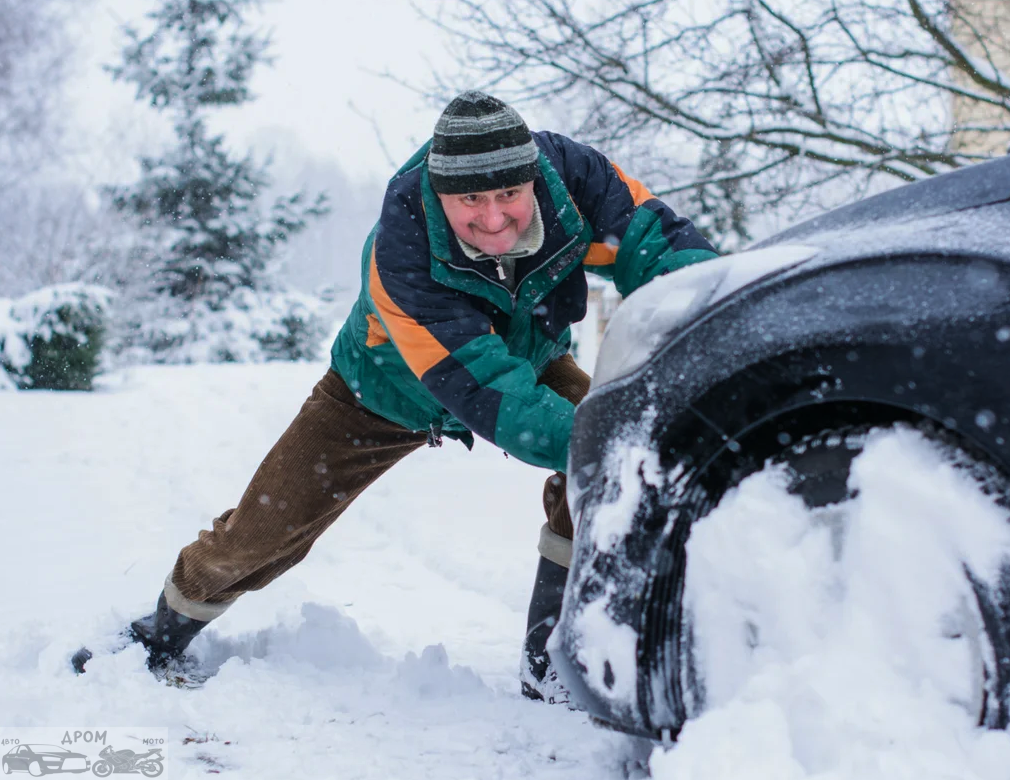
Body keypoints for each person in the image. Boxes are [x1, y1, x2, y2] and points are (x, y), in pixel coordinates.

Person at [79, 91, 718, 702]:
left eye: (508, 195)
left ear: (534, 178)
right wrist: (613, 442)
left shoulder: (577, 183)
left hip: (531, 361)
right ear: (440, 194)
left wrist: (725, 338)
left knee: (609, 459)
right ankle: (159, 635)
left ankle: (551, 660)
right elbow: (490, 391)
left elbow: (663, 251)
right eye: (470, 198)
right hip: (379, 393)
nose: (493, 218)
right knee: (263, 531)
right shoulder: (403, 250)